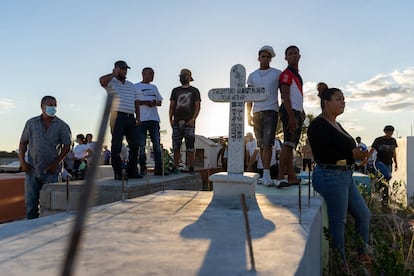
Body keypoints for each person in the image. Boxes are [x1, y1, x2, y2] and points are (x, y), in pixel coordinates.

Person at [307, 87, 370, 263]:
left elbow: (343, 149)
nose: (343, 102)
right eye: (338, 99)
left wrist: (358, 156)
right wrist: (352, 155)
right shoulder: (317, 125)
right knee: (337, 222)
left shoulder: (337, 124)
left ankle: (362, 254)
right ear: (326, 102)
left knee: (363, 215)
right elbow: (322, 154)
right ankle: (339, 264)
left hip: (345, 176)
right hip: (330, 176)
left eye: (344, 99)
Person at [18, 95, 72, 219]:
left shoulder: (62, 125)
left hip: (51, 172)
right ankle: (31, 229)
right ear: (42, 106)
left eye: (54, 105)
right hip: (32, 170)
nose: (52, 107)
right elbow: (22, 143)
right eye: (49, 105)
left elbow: (67, 146)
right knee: (31, 204)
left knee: (51, 205)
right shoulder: (31, 123)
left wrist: (55, 163)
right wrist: (22, 162)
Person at [99, 60, 142, 180]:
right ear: (116, 69)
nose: (124, 71)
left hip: (130, 117)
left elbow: (136, 102)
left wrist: (138, 116)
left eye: (125, 69)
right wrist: (113, 74)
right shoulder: (111, 82)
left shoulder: (130, 85)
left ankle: (132, 171)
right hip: (117, 117)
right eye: (121, 69)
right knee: (116, 145)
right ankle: (118, 172)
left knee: (135, 145)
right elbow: (102, 81)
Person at [246, 45, 282, 187]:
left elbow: (284, 91)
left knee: (268, 143)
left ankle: (267, 173)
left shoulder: (277, 73)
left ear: (271, 59)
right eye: (263, 56)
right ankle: (264, 174)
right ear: (258, 58)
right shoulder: (252, 75)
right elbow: (249, 95)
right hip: (257, 112)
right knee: (260, 144)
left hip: (271, 110)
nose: (265, 59)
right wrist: (248, 113)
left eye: (268, 57)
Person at [276, 45, 304, 188]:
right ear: (286, 58)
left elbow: (297, 95)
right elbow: (285, 95)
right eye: (290, 54)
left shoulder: (297, 74)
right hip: (289, 112)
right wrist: (292, 116)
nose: (293, 56)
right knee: (287, 145)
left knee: (291, 145)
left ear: (299, 56)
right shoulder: (286, 74)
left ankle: (291, 176)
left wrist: (301, 112)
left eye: (295, 53)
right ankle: (281, 177)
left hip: (296, 111)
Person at [169, 69, 201, 174]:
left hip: (189, 122)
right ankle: (176, 166)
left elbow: (197, 106)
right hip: (177, 121)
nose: (182, 77)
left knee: (190, 145)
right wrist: (170, 119)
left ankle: (191, 166)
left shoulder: (194, 91)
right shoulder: (175, 90)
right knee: (176, 145)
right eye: (181, 75)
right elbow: (172, 106)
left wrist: (193, 119)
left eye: (184, 75)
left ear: (189, 77)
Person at [135, 67, 164, 176]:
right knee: (141, 146)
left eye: (153, 74)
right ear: (143, 74)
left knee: (156, 145)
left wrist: (154, 103)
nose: (152, 76)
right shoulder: (136, 87)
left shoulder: (154, 87)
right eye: (150, 73)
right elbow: (135, 102)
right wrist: (145, 102)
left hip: (154, 119)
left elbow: (160, 102)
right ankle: (143, 168)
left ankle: (158, 169)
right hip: (142, 119)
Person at [366, 125, 398, 202]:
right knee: (388, 176)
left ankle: (384, 198)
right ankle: (377, 185)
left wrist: (396, 162)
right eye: (388, 132)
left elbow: (394, 152)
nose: (390, 134)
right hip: (379, 161)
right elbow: (371, 151)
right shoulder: (378, 140)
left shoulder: (393, 140)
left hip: (389, 162)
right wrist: (366, 160)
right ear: (385, 132)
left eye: (391, 132)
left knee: (386, 180)